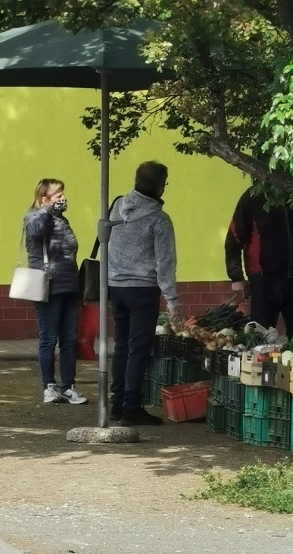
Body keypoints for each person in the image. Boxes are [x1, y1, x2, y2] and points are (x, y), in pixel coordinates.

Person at [108, 161, 179, 427]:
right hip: (143, 290)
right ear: (160, 186)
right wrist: (173, 303)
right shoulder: (159, 220)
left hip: (116, 287)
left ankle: (116, 404)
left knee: (122, 345)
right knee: (139, 348)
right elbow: (165, 264)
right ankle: (131, 408)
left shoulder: (116, 206)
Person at [225, 186, 293, 338]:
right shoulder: (252, 197)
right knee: (260, 335)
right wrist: (236, 277)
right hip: (264, 279)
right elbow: (234, 238)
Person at [23, 179, 88, 405]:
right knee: (49, 338)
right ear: (44, 198)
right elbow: (34, 231)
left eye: (63, 193)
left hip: (69, 286)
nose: (62, 198)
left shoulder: (62, 219)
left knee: (69, 340)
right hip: (48, 286)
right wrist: (45, 210)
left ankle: (69, 386)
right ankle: (49, 387)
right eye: (57, 194)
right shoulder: (34, 216)